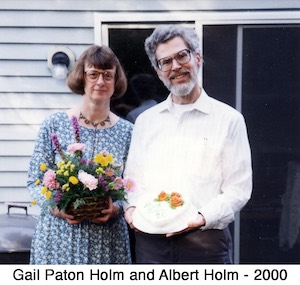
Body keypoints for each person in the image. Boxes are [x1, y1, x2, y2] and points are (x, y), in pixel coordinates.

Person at [124, 25, 252, 264]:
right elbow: (132, 181)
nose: (175, 66)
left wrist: (203, 217)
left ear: (197, 58)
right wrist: (131, 210)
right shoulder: (145, 122)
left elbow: (239, 189)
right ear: (158, 71)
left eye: (182, 55)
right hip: (151, 245)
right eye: (165, 61)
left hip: (205, 244)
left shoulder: (229, 120)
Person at [27, 45, 133, 264]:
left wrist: (116, 209)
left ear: (116, 80)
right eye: (93, 74)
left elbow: (135, 186)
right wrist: (57, 208)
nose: (100, 82)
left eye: (108, 75)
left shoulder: (128, 132)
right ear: (81, 78)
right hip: (58, 238)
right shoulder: (54, 125)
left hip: (107, 241)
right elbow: (35, 181)